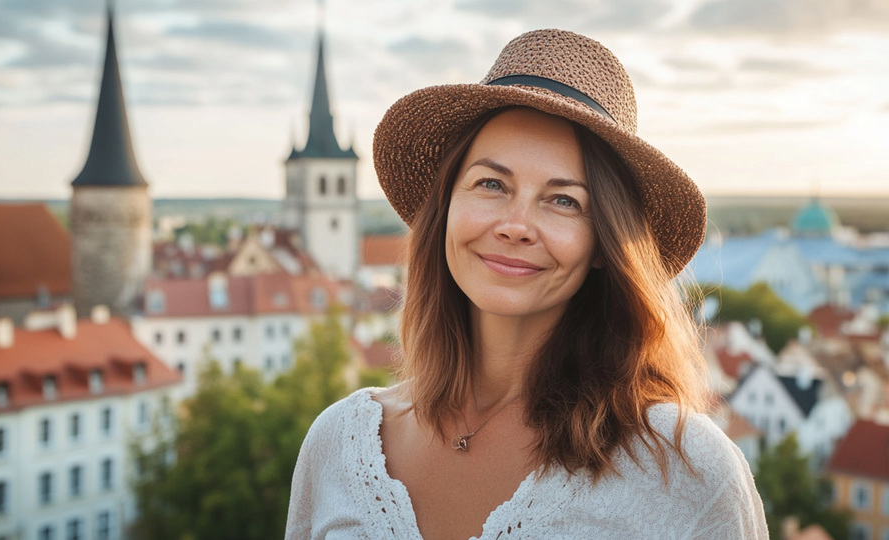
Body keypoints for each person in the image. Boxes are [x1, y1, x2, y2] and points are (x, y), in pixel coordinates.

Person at [287, 29, 769, 539]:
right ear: (446, 207)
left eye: (564, 200)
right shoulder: (340, 443)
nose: (516, 224)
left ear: (606, 244)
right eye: (491, 184)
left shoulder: (688, 475)